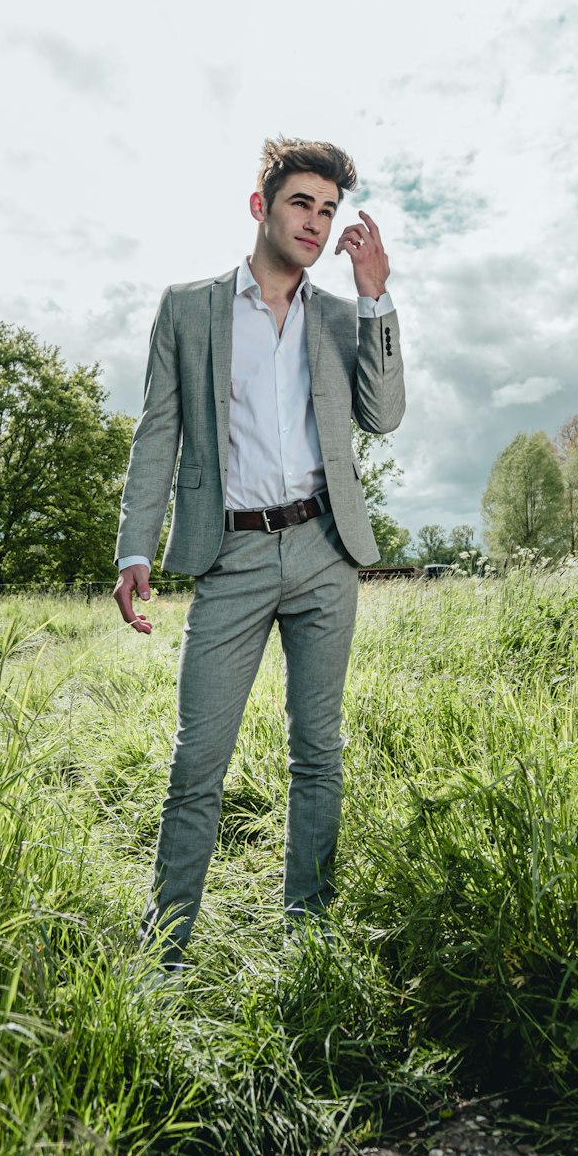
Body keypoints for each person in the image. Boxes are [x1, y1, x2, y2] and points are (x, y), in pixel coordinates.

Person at [113, 135, 405, 967]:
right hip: (230, 558)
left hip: (323, 549)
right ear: (261, 208)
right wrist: (135, 545)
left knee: (318, 754)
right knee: (196, 762)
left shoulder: (344, 317)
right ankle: (165, 953)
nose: (316, 222)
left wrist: (377, 297)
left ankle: (307, 942)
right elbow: (157, 433)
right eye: (301, 204)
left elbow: (383, 416)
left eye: (329, 209)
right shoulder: (190, 309)